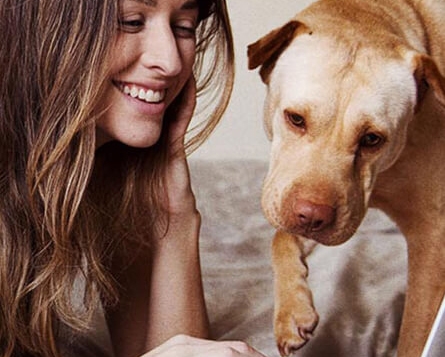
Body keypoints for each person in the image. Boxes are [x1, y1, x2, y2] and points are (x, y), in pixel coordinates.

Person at [0, 0, 267, 357]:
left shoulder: (109, 171)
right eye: (131, 21)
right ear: (44, 27)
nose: (171, 62)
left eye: (184, 27)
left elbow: (176, 348)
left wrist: (176, 215)